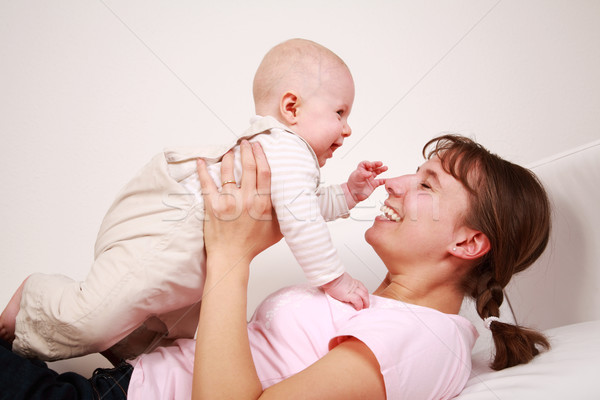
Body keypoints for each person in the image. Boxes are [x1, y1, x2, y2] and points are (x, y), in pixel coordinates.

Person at [0, 135, 551, 399]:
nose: (395, 182)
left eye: (427, 184)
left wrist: (233, 255)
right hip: (121, 383)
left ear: (469, 242)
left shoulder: (422, 340)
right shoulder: (378, 307)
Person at [0, 38, 387, 363]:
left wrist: (348, 194)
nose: (347, 128)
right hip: (165, 242)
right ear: (291, 108)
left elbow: (301, 208)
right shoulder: (289, 148)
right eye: (340, 113)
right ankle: (35, 294)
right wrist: (334, 279)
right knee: (90, 321)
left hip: (191, 267)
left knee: (151, 341)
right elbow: (302, 220)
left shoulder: (286, 157)